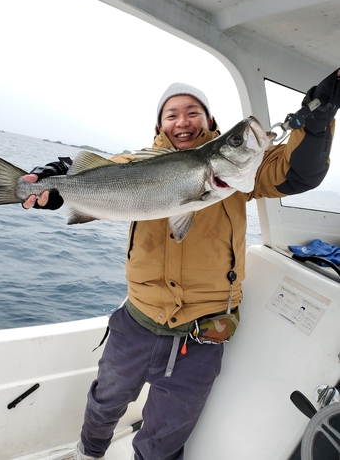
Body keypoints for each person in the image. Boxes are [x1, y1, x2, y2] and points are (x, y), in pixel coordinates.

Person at [23, 71, 339, 460]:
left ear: (208, 121)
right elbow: (109, 167)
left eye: (193, 112)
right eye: (172, 114)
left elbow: (297, 171)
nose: (183, 121)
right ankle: (88, 453)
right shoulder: (141, 161)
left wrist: (318, 123)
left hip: (203, 334)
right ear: (160, 125)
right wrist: (59, 179)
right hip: (137, 320)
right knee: (104, 401)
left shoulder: (240, 173)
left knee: (168, 429)